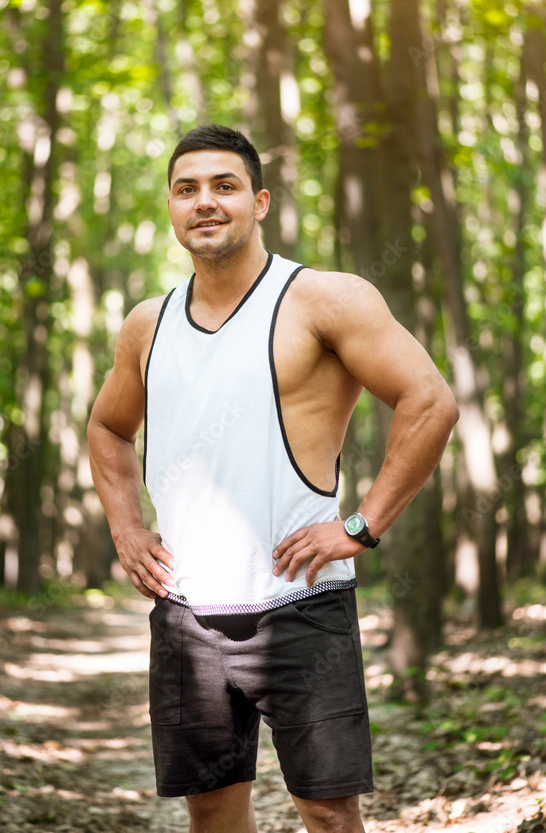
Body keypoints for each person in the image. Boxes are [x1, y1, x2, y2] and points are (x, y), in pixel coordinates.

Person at [87, 123, 459, 833]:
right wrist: (127, 529)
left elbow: (431, 400)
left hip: (301, 604)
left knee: (325, 809)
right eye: (186, 189)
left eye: (224, 186)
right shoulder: (147, 324)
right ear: (170, 208)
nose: (205, 202)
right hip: (187, 613)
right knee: (213, 808)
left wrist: (362, 525)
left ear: (259, 202)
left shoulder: (324, 299)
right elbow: (107, 428)